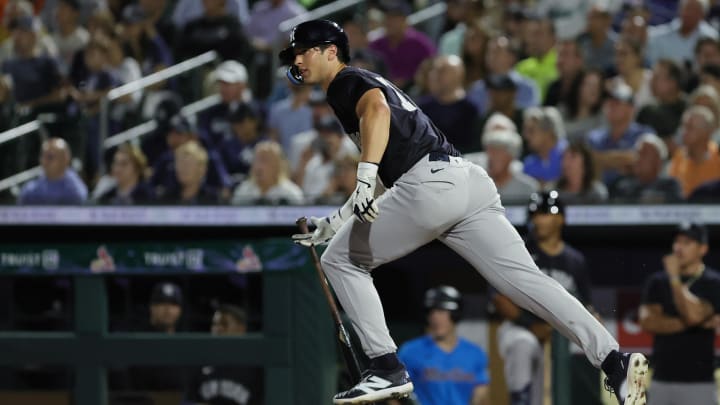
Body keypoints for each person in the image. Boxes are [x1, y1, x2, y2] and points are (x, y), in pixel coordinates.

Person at [281, 19, 647, 405]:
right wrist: (333, 222)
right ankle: (612, 359)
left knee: (340, 259)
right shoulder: (360, 83)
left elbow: (376, 111)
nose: (298, 59)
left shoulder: (343, 81)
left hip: (429, 184)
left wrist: (363, 176)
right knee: (526, 281)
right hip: (464, 182)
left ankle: (386, 367)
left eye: (304, 51)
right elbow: (389, 172)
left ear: (331, 51)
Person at [493, 191, 595, 405]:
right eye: (535, 215)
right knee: (523, 344)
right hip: (520, 326)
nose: (539, 220)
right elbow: (500, 299)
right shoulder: (519, 250)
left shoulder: (575, 261)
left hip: (559, 336)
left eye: (545, 214)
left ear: (560, 218)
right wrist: (532, 326)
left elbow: (586, 306)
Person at [639, 222, 720, 405]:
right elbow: (648, 322)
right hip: (661, 380)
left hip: (699, 383)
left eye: (687, 242)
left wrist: (675, 279)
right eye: (677, 241)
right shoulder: (657, 282)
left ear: (703, 249)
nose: (678, 247)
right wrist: (694, 322)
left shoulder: (713, 282)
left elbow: (693, 317)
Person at [395, 286, 489, 405]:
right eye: (431, 312)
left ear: (455, 315)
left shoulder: (475, 353)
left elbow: (480, 394)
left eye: (441, 311)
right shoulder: (410, 351)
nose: (435, 317)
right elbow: (395, 395)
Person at [184, 305, 263, 405]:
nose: (218, 328)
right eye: (215, 324)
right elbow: (187, 400)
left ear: (241, 329)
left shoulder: (254, 367)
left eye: (224, 324)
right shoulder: (201, 363)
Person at [611, 134, 683, 203]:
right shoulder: (624, 187)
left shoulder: (670, 186)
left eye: (644, 154)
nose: (638, 158)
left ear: (658, 162)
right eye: (638, 153)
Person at [668, 105, 720, 198]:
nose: (684, 132)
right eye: (684, 127)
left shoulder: (717, 156)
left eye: (690, 127)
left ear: (707, 132)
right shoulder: (679, 156)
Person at [18, 137, 88, 205]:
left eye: (50, 157)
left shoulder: (75, 191)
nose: (44, 161)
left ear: (65, 160)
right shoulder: (30, 189)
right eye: (42, 156)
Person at [484, 128, 539, 204]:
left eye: (497, 152)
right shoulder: (479, 186)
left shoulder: (527, 188)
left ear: (511, 157)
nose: (491, 157)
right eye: (489, 152)